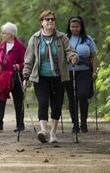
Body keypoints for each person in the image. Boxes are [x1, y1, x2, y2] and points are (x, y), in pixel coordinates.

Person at [22, 10, 78, 143]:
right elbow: (29, 59)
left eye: (52, 19)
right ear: (41, 22)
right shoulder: (35, 38)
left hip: (58, 76)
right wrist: (26, 76)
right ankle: (43, 131)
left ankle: (53, 133)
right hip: (40, 77)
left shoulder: (62, 37)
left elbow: (70, 51)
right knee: (42, 103)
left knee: (56, 104)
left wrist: (73, 57)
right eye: (47, 19)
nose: (50, 21)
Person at [0, 22, 26, 133]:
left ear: (11, 34)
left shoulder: (19, 46)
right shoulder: (2, 45)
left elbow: (26, 62)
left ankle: (20, 125)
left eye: (4, 33)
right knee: (1, 100)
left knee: (18, 100)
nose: (2, 35)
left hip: (16, 76)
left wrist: (19, 66)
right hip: (4, 76)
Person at [65, 16, 99, 133]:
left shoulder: (87, 39)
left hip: (85, 71)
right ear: (69, 27)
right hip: (69, 71)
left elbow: (94, 57)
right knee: (72, 98)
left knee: (83, 94)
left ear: (81, 27)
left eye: (77, 26)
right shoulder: (65, 39)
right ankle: (75, 124)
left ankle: (83, 122)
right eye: (72, 26)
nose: (75, 29)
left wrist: (95, 71)